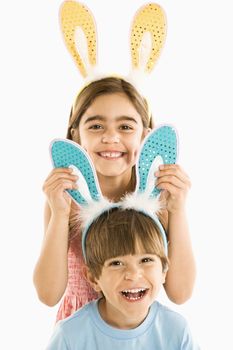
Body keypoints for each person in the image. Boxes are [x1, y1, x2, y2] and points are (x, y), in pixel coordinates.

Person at [33, 77, 196, 322]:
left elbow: (180, 293)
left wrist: (179, 209)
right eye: (96, 126)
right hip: (79, 328)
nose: (111, 138)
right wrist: (59, 214)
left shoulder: (161, 195)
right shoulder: (66, 199)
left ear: (145, 136)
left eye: (126, 127)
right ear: (76, 135)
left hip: (137, 330)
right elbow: (48, 294)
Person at [46, 207, 199, 350]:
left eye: (146, 260)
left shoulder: (176, 330)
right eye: (116, 263)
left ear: (164, 270)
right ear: (93, 278)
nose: (133, 274)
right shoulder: (69, 335)